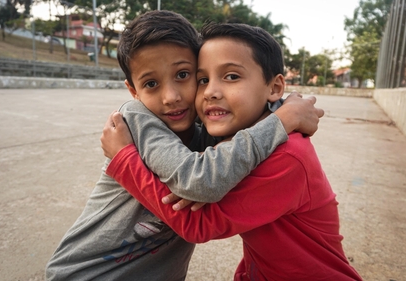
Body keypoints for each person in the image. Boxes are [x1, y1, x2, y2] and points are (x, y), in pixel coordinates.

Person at [46, 11, 324, 281]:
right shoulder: (136, 119)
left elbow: (250, 112)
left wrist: (286, 108)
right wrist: (282, 119)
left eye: (184, 75)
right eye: (151, 83)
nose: (171, 97)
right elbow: (198, 180)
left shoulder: (211, 134)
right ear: (134, 91)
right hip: (89, 273)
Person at [102, 22, 362, 280]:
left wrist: (126, 161)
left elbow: (197, 223)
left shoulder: (287, 157)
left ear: (274, 87)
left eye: (231, 76)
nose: (211, 92)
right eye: (202, 79)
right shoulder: (243, 140)